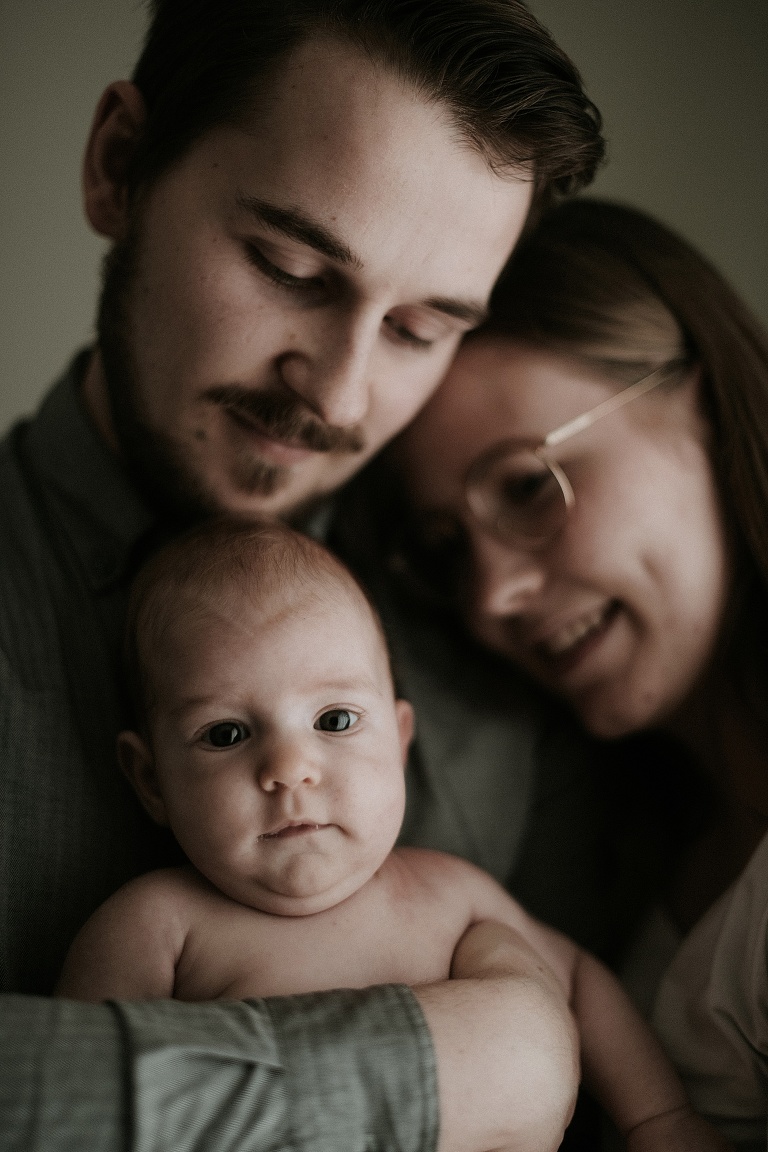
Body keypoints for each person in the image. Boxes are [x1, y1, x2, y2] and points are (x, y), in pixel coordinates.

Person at [0, 1, 606, 1148]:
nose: (336, 393)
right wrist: (421, 1072)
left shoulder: (502, 669)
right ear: (120, 168)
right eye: (291, 269)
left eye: (421, 329)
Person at [57, 517, 730, 1152]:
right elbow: (79, 1099)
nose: (289, 768)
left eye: (335, 720)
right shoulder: (156, 928)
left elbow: (578, 983)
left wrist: (659, 1119)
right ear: (152, 781)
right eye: (226, 733)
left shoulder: (450, 895)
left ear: (400, 742)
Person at [389, 196, 768, 1150]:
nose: (491, 599)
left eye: (526, 485)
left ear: (702, 402)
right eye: (448, 549)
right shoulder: (627, 867)